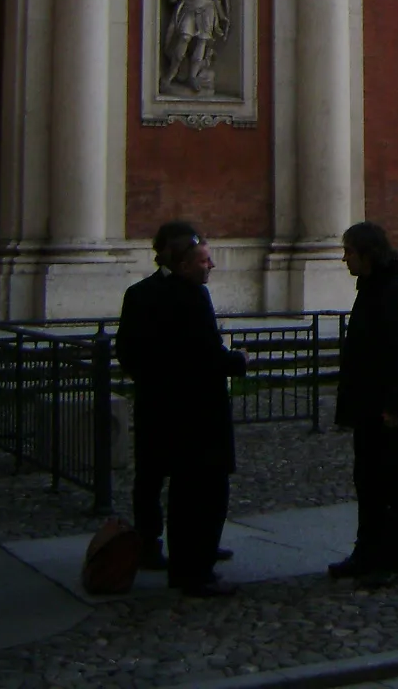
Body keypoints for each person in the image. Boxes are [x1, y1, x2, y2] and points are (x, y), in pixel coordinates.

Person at [115, 221, 247, 597]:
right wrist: (237, 361)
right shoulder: (190, 297)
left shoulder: (140, 294)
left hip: (159, 404)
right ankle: (193, 563)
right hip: (197, 411)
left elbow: (128, 353)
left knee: (163, 482)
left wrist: (155, 381)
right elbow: (206, 355)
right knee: (199, 490)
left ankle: (162, 548)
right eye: (205, 260)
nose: (211, 266)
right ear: (185, 263)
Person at [330, 222, 398, 589]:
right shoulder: (372, 289)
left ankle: (392, 559)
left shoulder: (395, 291)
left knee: (393, 487)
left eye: (350, 252)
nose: (345, 259)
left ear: (368, 253)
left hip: (388, 411)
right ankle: (366, 552)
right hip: (369, 407)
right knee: (368, 483)